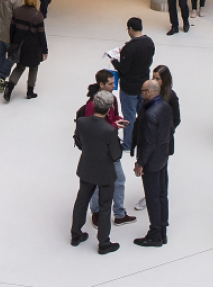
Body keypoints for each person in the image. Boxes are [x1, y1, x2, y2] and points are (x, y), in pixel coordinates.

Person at [71, 89, 124, 254]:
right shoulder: (109, 131)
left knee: (82, 200)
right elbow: (116, 154)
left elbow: (79, 142)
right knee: (105, 205)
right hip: (105, 172)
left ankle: (75, 234)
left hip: (87, 166)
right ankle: (104, 242)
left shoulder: (82, 122)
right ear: (109, 109)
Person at [84, 70, 135, 229]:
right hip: (98, 150)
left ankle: (119, 213)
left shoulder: (112, 99)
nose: (114, 86)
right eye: (111, 83)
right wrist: (114, 125)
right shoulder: (92, 105)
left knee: (119, 179)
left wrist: (119, 120)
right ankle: (97, 212)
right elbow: (92, 127)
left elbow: (114, 116)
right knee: (98, 182)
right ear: (101, 84)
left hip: (112, 147)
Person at [131, 79, 174, 247]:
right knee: (162, 194)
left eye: (143, 91)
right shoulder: (165, 107)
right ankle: (162, 229)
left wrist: (140, 163)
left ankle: (155, 233)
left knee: (152, 197)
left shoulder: (149, 114)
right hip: (162, 157)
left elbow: (148, 142)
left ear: (149, 92)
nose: (141, 94)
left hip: (151, 161)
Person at [112, 19, 154, 153]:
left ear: (130, 29)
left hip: (129, 87)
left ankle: (128, 143)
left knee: (129, 117)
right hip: (144, 86)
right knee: (143, 114)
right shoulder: (149, 43)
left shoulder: (130, 48)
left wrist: (114, 61)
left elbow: (124, 69)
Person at [3, 0, 47, 100]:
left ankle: (9, 88)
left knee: (19, 67)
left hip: (20, 46)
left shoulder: (17, 12)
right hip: (33, 47)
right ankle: (30, 91)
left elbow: (12, 29)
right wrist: (45, 50)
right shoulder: (38, 16)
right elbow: (41, 35)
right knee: (33, 68)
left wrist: (12, 43)